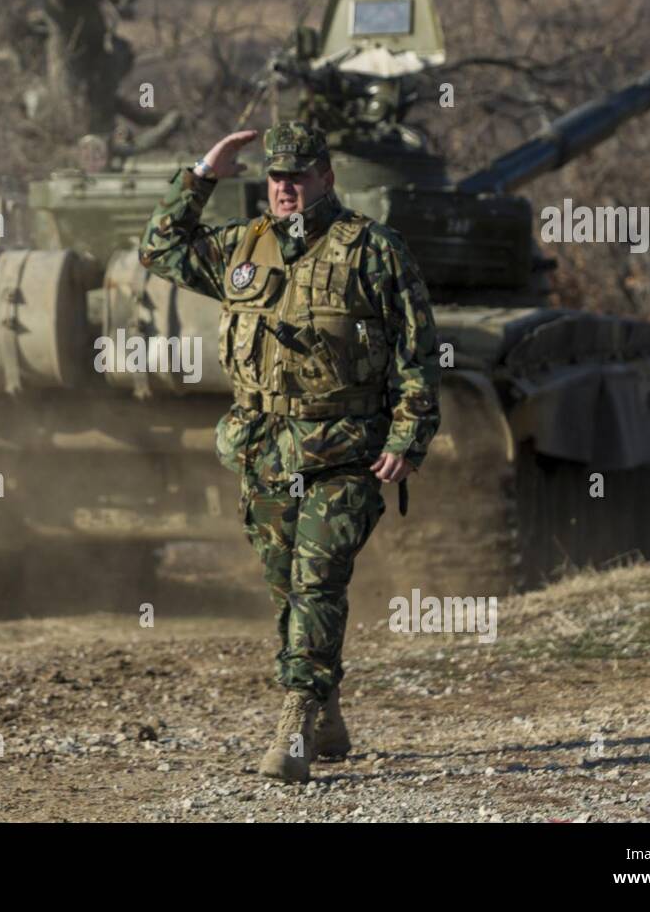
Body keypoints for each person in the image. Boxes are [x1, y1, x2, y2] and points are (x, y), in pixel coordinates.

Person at [139, 121, 441, 783]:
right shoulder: (243, 247)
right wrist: (204, 173)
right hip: (264, 450)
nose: (285, 187)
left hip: (344, 450)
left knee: (317, 580)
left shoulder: (372, 250)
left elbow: (418, 353)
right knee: (286, 588)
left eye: (298, 175)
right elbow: (159, 249)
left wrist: (408, 437)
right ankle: (327, 703)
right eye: (276, 176)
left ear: (326, 177)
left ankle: (297, 720)